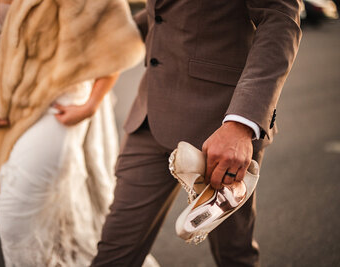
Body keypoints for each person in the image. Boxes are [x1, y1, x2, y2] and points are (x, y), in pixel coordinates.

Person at [92, 0, 302, 266]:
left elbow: (280, 20)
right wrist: (97, 35)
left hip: (220, 129)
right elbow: (166, 14)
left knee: (234, 254)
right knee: (114, 251)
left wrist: (241, 123)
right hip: (150, 118)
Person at [0, 0, 160, 266]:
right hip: (9, 106)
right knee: (49, 216)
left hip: (61, 103)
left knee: (14, 211)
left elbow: (116, 42)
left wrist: (90, 104)